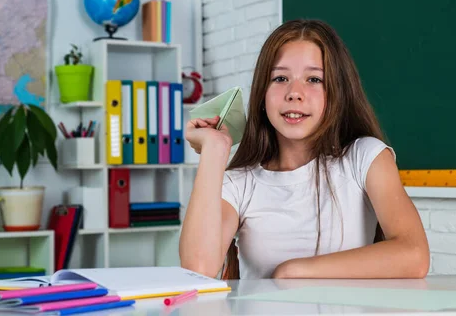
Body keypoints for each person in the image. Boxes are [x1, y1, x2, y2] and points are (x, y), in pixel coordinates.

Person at [179, 19, 429, 280]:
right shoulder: (240, 182)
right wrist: (214, 151)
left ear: (336, 92)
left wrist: (293, 272)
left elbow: (414, 255)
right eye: (280, 78)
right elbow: (198, 269)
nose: (294, 93)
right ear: (262, 95)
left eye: (313, 79)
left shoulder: (365, 157)